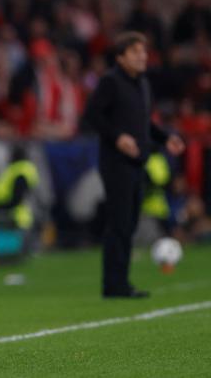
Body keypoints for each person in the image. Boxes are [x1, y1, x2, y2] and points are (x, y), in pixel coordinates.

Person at [85, 31, 185, 299]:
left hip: (137, 162)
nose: (142, 56)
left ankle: (121, 282)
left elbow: (145, 124)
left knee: (128, 224)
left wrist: (166, 138)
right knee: (118, 224)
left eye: (143, 51)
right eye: (135, 52)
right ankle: (113, 285)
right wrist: (117, 137)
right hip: (116, 163)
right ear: (120, 57)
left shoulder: (142, 83)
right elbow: (92, 115)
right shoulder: (110, 82)